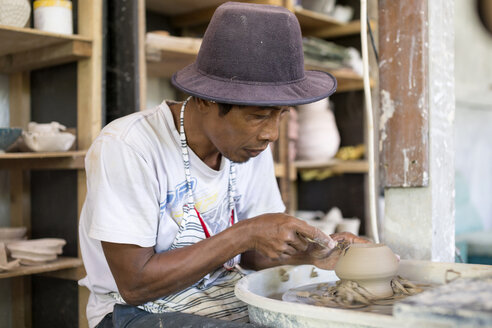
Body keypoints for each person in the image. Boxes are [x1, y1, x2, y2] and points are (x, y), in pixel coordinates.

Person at [79, 2, 367, 327]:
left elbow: (254, 254)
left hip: (223, 296)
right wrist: (245, 233)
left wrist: (318, 254)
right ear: (205, 100)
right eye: (258, 116)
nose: (271, 133)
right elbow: (134, 284)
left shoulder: (251, 146)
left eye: (281, 115)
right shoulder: (129, 146)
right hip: (135, 312)